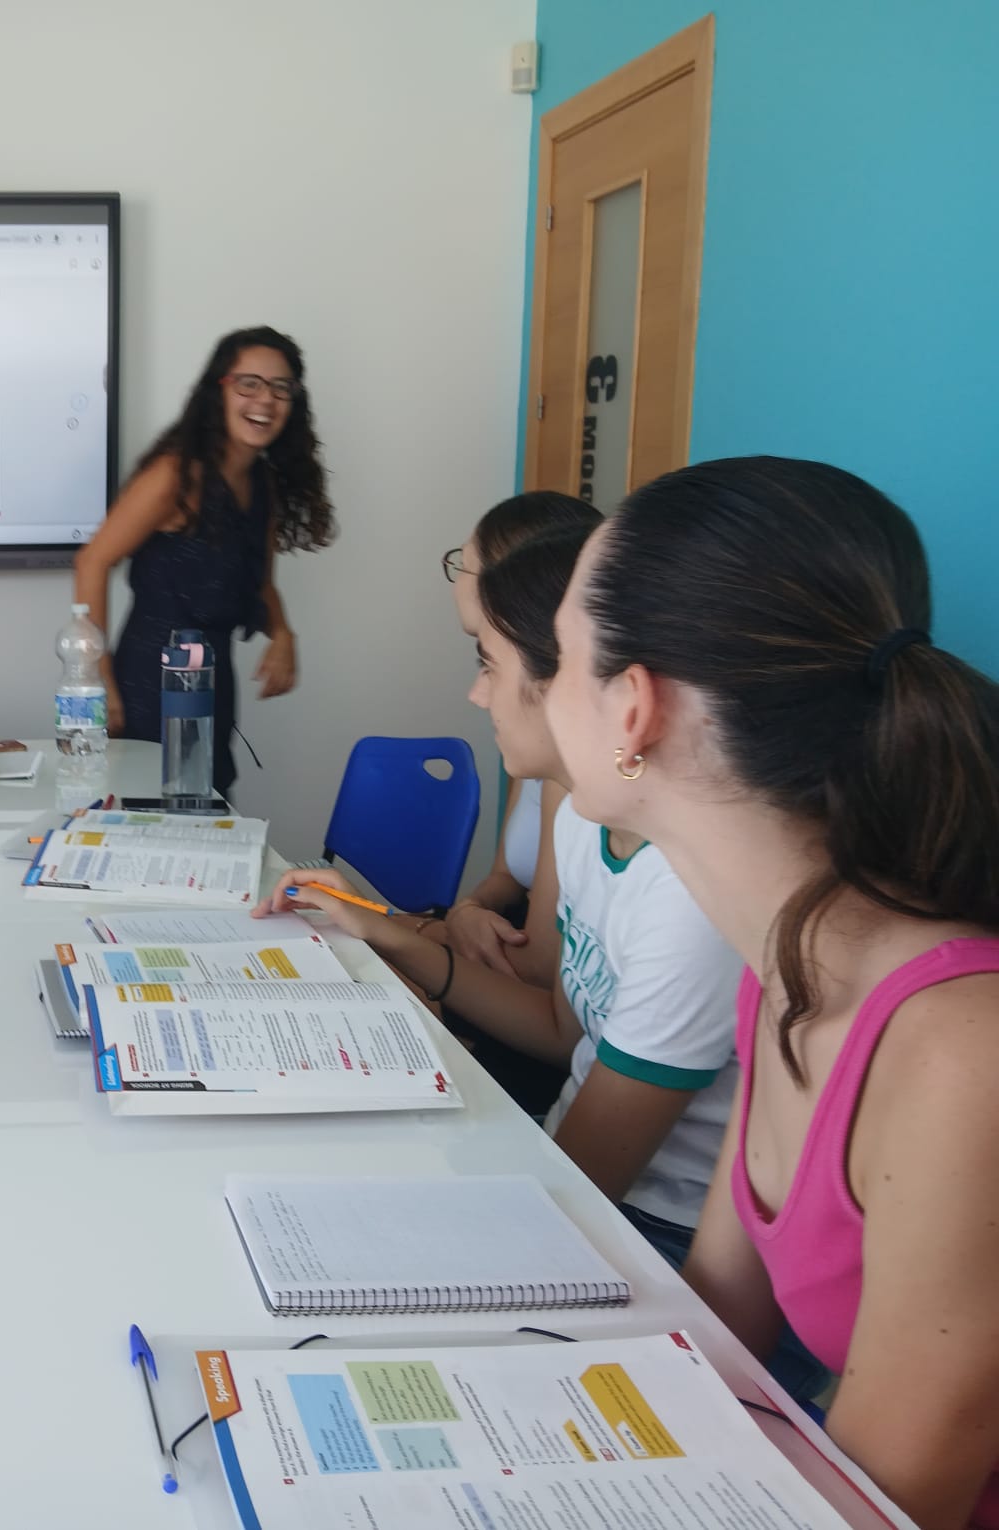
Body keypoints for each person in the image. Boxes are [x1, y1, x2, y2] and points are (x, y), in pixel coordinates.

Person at [547, 457, 999, 1529]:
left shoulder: (960, 1055)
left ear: (634, 708)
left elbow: (888, 1506)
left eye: (560, 658)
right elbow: (716, 1329)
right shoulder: (789, 971)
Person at [262, 525, 742, 1259]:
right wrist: (383, 926)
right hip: (562, 1168)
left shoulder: (690, 893)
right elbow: (560, 1031)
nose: (476, 692)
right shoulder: (588, 817)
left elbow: (578, 1194)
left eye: (489, 664)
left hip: (645, 1232)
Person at [72, 327, 334, 799]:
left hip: (212, 689)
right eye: (248, 383)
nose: (266, 399)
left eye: (281, 388)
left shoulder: (261, 484)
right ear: (219, 390)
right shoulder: (176, 474)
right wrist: (98, 678)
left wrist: (283, 634)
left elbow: (260, 580)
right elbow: (92, 562)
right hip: (147, 687)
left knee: (204, 822)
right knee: (149, 828)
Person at [426, 491, 602, 1115]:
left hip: (525, 1008)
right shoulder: (531, 743)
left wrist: (427, 935)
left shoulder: (586, 793)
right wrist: (467, 911)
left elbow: (555, 1013)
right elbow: (506, 875)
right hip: (506, 962)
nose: (478, 693)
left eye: (465, 562)